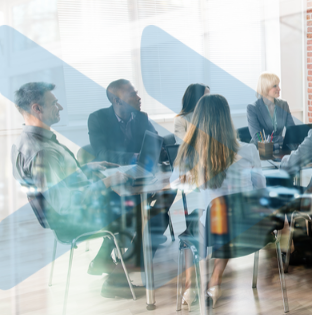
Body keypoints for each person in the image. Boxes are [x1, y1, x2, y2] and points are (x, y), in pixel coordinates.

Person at [11, 82, 141, 299]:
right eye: (54, 103)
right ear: (37, 108)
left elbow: (57, 186)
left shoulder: (24, 142)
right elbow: (65, 202)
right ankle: (116, 280)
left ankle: (105, 258)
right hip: (71, 220)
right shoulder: (43, 152)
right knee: (137, 207)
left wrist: (86, 168)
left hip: (61, 214)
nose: (60, 107)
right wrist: (108, 182)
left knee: (128, 203)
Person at [172, 94, 267, 310]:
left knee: (190, 222)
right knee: (225, 217)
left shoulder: (189, 153)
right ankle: (214, 283)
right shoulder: (249, 150)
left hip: (212, 229)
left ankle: (190, 287)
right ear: (227, 118)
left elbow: (176, 186)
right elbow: (261, 190)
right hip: (247, 227)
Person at [88, 79, 173, 260]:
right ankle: (145, 237)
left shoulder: (141, 117)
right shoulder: (97, 118)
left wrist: (162, 151)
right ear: (117, 101)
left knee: (170, 190)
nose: (138, 97)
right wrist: (134, 156)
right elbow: (102, 153)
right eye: (132, 94)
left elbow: (154, 141)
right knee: (137, 206)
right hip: (112, 179)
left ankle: (144, 235)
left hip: (140, 174)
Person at [247, 72, 295, 150]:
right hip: (261, 151)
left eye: (278, 85)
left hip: (279, 149)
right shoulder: (252, 108)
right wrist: (282, 139)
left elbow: (292, 130)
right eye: (275, 86)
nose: (279, 89)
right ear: (265, 87)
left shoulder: (283, 104)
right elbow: (257, 138)